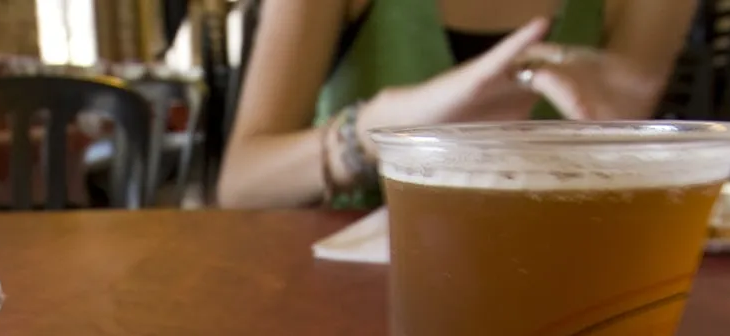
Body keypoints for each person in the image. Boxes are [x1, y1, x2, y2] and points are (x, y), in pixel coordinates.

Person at [218, 0, 700, 208]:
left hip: (549, 274)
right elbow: (243, 183)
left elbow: (624, 154)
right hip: (344, 292)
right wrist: (380, 130)